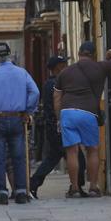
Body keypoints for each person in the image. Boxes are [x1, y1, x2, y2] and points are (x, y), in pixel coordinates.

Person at [54, 41, 111, 198]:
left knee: (72, 151)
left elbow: (57, 97)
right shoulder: (101, 67)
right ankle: (93, 187)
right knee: (92, 150)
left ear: (79, 53)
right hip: (88, 112)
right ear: (93, 55)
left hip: (67, 112)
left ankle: (74, 188)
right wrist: (110, 53)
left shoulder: (65, 72)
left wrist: (59, 118)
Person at [0, 42, 39, 205]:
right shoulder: (22, 73)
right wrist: (28, 111)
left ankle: (1, 193)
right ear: (9, 55)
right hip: (17, 118)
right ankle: (21, 192)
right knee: (19, 157)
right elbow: (35, 92)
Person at [30, 56, 86, 198]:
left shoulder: (54, 82)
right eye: (63, 64)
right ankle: (76, 186)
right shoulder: (54, 84)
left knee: (55, 158)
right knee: (75, 158)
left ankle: (75, 186)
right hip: (58, 126)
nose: (66, 66)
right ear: (57, 67)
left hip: (58, 126)